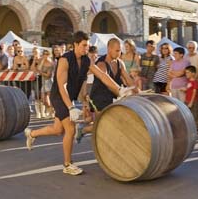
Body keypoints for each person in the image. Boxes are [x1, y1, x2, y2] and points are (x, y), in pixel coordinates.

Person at [24, 31, 128, 176]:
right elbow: (62, 86)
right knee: (70, 129)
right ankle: (67, 164)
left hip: (69, 97)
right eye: (84, 45)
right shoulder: (65, 60)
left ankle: (32, 133)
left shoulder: (86, 60)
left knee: (58, 130)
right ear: (75, 45)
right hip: (59, 96)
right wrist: (71, 107)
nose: (86, 48)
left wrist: (119, 89)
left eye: (88, 46)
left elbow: (102, 75)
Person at [77, 38, 135, 141]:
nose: (119, 53)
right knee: (104, 124)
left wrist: (136, 89)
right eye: (117, 51)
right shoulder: (101, 64)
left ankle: (84, 129)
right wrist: (121, 91)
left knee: (112, 123)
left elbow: (127, 78)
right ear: (109, 49)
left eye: (120, 50)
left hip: (113, 96)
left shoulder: (120, 63)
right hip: (99, 98)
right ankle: (83, 130)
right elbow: (107, 83)